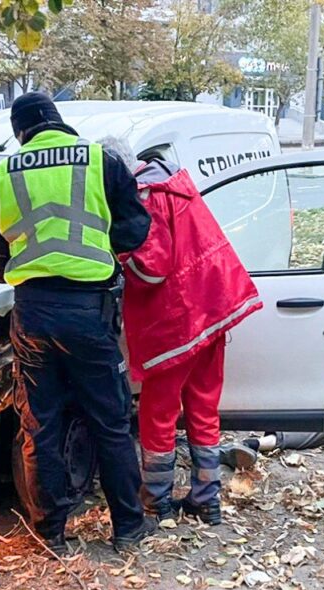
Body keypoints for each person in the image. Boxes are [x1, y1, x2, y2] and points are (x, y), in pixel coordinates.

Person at [0, 93, 154, 556]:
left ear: (20, 132)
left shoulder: (4, 173)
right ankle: (129, 531)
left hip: (32, 312)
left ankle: (49, 534)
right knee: (110, 424)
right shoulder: (101, 161)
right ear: (58, 121)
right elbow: (135, 230)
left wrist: (14, 269)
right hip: (90, 311)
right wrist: (100, 254)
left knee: (40, 427)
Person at [100, 137, 262, 525]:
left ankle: (156, 500)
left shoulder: (144, 197)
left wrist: (115, 254)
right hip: (213, 305)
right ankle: (207, 499)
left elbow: (152, 267)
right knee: (203, 406)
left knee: (158, 414)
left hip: (177, 318)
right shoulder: (175, 183)